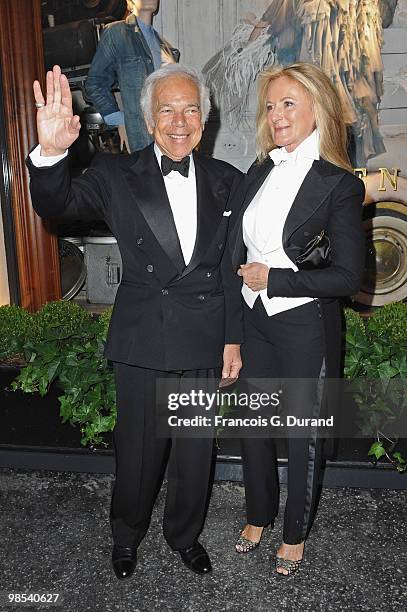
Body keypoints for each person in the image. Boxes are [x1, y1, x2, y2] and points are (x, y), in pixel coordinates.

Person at [27, 63, 243, 578]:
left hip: (205, 338)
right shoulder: (114, 174)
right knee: (138, 455)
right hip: (144, 338)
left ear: (204, 120)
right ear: (148, 119)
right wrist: (52, 153)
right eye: (166, 109)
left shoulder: (228, 181)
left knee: (194, 457)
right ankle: (126, 537)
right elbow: (55, 203)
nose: (179, 120)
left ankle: (184, 536)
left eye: (191, 109)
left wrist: (233, 341)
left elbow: (234, 271)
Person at [229, 62, 365, 575]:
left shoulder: (339, 185)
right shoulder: (259, 170)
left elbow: (348, 277)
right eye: (271, 105)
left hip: (304, 323)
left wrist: (277, 281)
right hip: (253, 318)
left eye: (289, 103)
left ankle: (294, 532)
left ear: (317, 110)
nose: (277, 114)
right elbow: (233, 252)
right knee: (254, 427)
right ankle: (259, 514)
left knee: (301, 433)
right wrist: (231, 328)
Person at [84, 0, 179, 152]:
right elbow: (95, 83)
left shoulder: (166, 48)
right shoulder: (117, 34)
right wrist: (120, 120)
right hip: (142, 137)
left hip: (170, 137)